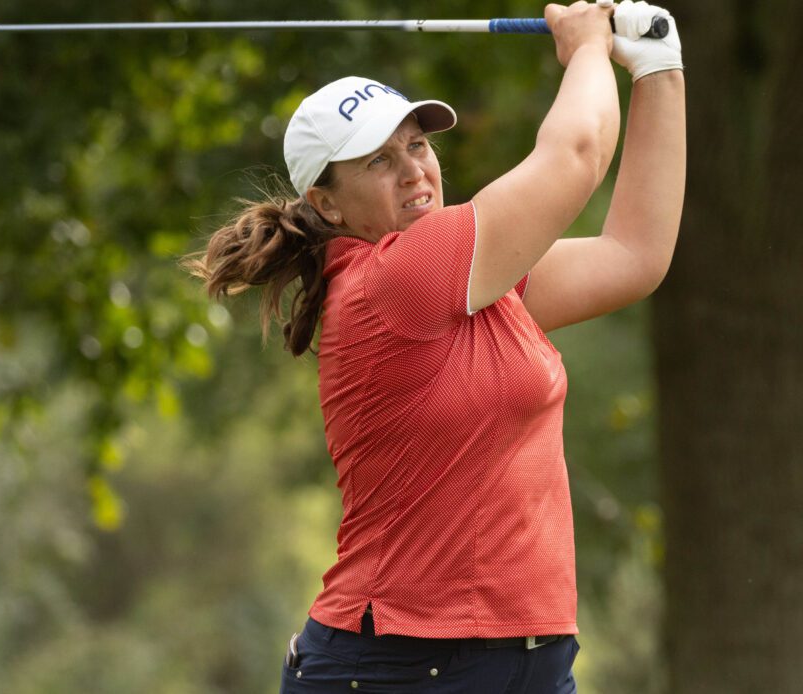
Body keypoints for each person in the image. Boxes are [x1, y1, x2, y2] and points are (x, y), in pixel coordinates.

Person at [186, 1, 684, 691]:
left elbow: (634, 254)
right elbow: (576, 155)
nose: (414, 171)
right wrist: (589, 48)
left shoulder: (479, 283)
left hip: (528, 659)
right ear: (327, 205)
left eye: (417, 145)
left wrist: (661, 69)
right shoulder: (397, 280)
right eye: (379, 161)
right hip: (402, 665)